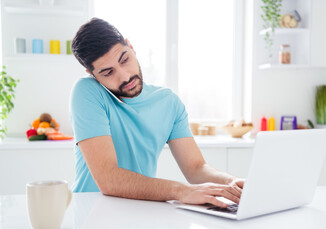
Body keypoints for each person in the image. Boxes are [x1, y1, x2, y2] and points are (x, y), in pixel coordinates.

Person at [70, 18, 244, 208]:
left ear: (131, 46)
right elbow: (109, 179)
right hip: (91, 213)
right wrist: (181, 190)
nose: (125, 76)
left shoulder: (168, 102)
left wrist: (231, 183)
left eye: (125, 60)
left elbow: (195, 168)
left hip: (141, 210)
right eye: (107, 72)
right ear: (91, 74)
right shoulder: (87, 91)